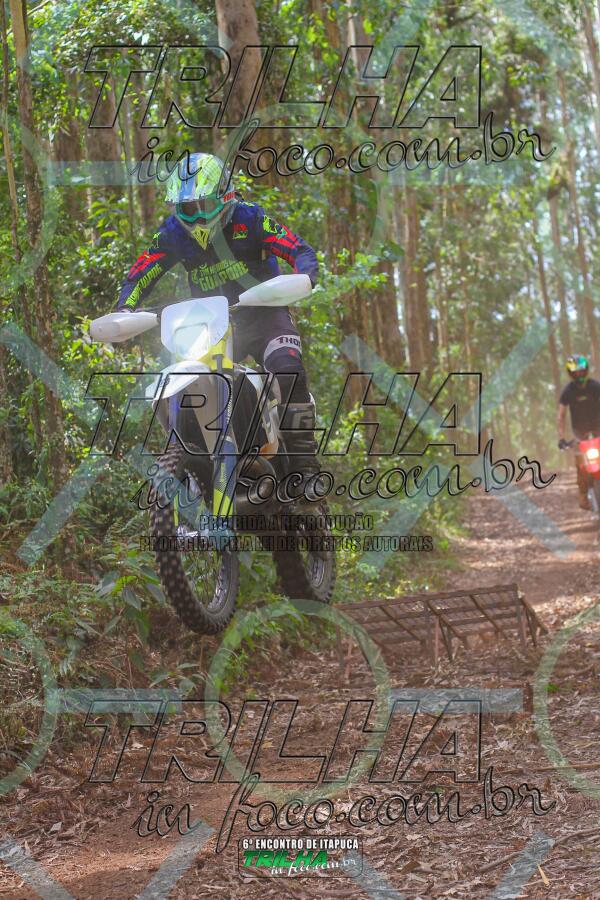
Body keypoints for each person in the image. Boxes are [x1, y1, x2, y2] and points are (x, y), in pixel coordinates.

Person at [116, 152, 319, 476]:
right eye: (188, 208)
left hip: (264, 314)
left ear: (225, 197)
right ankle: (191, 457)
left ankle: (305, 467)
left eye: (205, 205)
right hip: (213, 324)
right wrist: (124, 308)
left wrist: (304, 276)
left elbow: (297, 247)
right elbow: (142, 271)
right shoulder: (173, 232)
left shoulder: (250, 218)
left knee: (287, 367)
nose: (198, 217)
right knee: (185, 378)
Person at [557, 354, 600, 509]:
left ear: (586, 370)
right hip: (579, 433)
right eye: (575, 372)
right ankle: (583, 495)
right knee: (580, 465)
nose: (579, 375)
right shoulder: (567, 391)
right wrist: (562, 438)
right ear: (571, 374)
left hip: (598, 427)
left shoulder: (595, 386)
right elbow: (561, 415)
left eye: (581, 371)